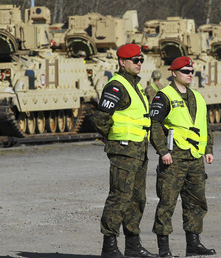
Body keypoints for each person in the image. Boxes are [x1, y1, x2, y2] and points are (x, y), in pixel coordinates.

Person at [92, 43, 158, 258]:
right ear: (122, 62)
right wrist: (111, 139)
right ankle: (109, 247)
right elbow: (101, 118)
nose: (139, 64)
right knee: (119, 197)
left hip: (139, 149)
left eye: (141, 60)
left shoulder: (135, 85)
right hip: (124, 149)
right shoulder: (117, 86)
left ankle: (133, 245)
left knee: (137, 198)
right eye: (135, 60)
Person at [149, 56, 216, 257]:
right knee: (167, 202)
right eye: (185, 71)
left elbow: (205, 126)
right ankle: (164, 249)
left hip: (195, 157)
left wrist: (208, 149)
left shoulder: (197, 97)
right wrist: (163, 152)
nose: (189, 75)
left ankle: (193, 243)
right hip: (174, 157)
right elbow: (155, 125)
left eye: (191, 71)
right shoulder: (164, 96)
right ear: (174, 73)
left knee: (196, 202)